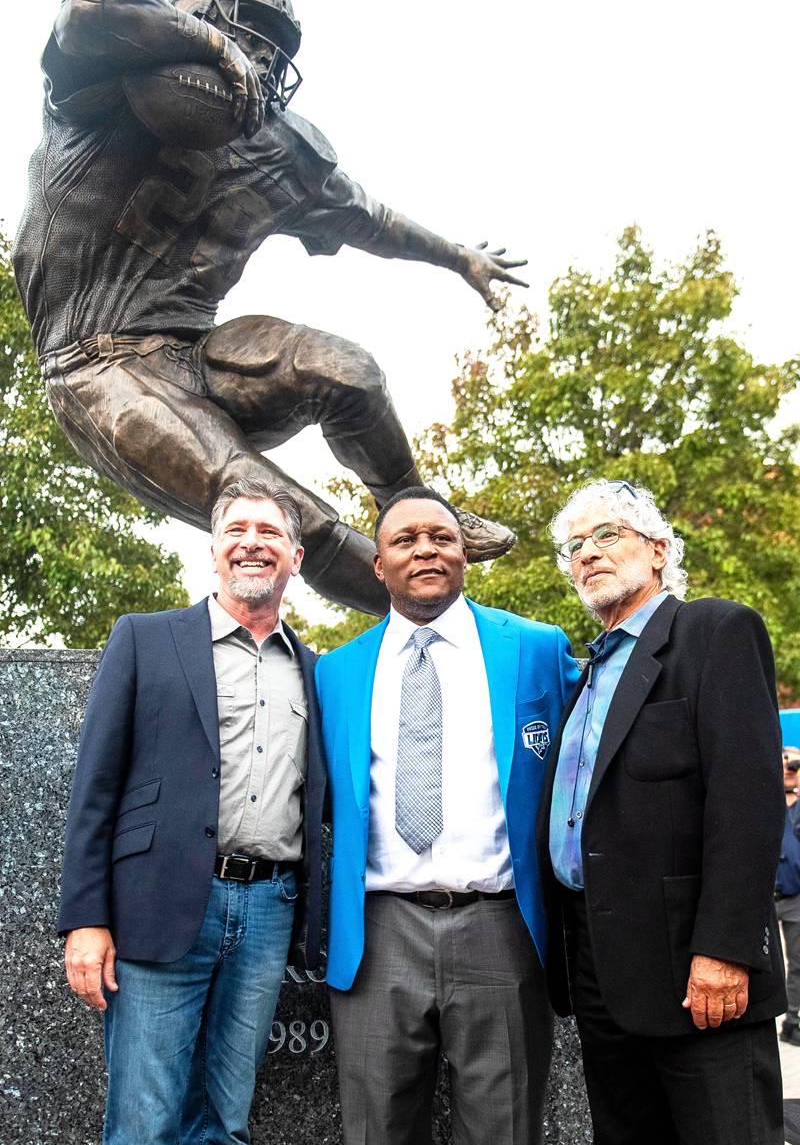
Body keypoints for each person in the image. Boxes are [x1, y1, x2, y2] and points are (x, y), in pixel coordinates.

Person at [13, 0, 524, 616]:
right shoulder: (98, 95)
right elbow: (89, 3)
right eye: (243, 27)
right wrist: (206, 46)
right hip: (94, 364)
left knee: (349, 372)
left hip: (194, 348)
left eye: (271, 42)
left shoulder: (280, 147)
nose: (260, 51)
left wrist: (459, 257)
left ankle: (413, 507)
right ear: (190, 20)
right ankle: (438, 630)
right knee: (275, 507)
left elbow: (373, 220)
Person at [58, 478, 326, 1144]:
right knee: (144, 1123)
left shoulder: (315, 671)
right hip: (159, 903)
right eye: (237, 529)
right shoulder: (145, 639)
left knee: (225, 1122)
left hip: (269, 912)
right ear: (214, 552)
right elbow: (95, 786)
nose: (252, 542)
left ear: (295, 557)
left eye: (269, 532)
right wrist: (86, 917)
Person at [315, 486, 579, 1145]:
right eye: (404, 540)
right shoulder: (335, 673)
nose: (425, 547)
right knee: (375, 1131)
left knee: (503, 1130)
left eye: (442, 535)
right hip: (379, 933)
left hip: (500, 926)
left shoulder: (538, 649)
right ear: (379, 565)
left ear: (465, 554)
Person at [538, 478, 786, 1145]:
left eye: (607, 534)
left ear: (658, 549)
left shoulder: (714, 631)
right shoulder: (586, 673)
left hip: (698, 975)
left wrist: (725, 949)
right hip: (599, 970)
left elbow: (749, 798)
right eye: (575, 545)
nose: (587, 553)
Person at [776, 747, 800, 1045]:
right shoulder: (763, 798)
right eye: (783, 761)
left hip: (795, 897)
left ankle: (793, 1019)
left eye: (793, 762)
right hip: (764, 898)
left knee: (798, 962)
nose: (789, 767)